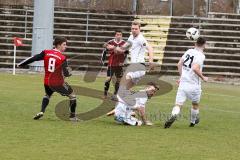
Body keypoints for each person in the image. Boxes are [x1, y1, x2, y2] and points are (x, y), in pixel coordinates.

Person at [18, 37, 78, 121]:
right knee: (73, 96)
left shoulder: (46, 52)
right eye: (64, 44)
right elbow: (66, 74)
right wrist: (70, 72)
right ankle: (72, 117)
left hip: (47, 82)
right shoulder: (62, 57)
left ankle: (42, 111)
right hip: (58, 83)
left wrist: (21, 64)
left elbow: (34, 58)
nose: (66, 46)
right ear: (58, 45)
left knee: (47, 95)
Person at [164, 37, 208, 128]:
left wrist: (181, 76)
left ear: (195, 43)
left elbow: (179, 64)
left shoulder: (188, 51)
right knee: (195, 104)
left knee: (178, 104)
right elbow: (195, 68)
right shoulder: (201, 55)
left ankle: (174, 115)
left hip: (183, 83)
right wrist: (203, 77)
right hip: (194, 85)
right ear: (204, 45)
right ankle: (192, 122)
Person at [102, 30, 128, 99]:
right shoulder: (111, 42)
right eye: (117, 34)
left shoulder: (124, 43)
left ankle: (115, 94)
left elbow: (126, 53)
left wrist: (123, 62)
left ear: (121, 36)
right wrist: (103, 60)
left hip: (119, 65)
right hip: (111, 64)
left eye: (120, 35)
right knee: (108, 79)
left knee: (119, 80)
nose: (118, 36)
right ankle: (105, 93)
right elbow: (104, 48)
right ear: (115, 35)